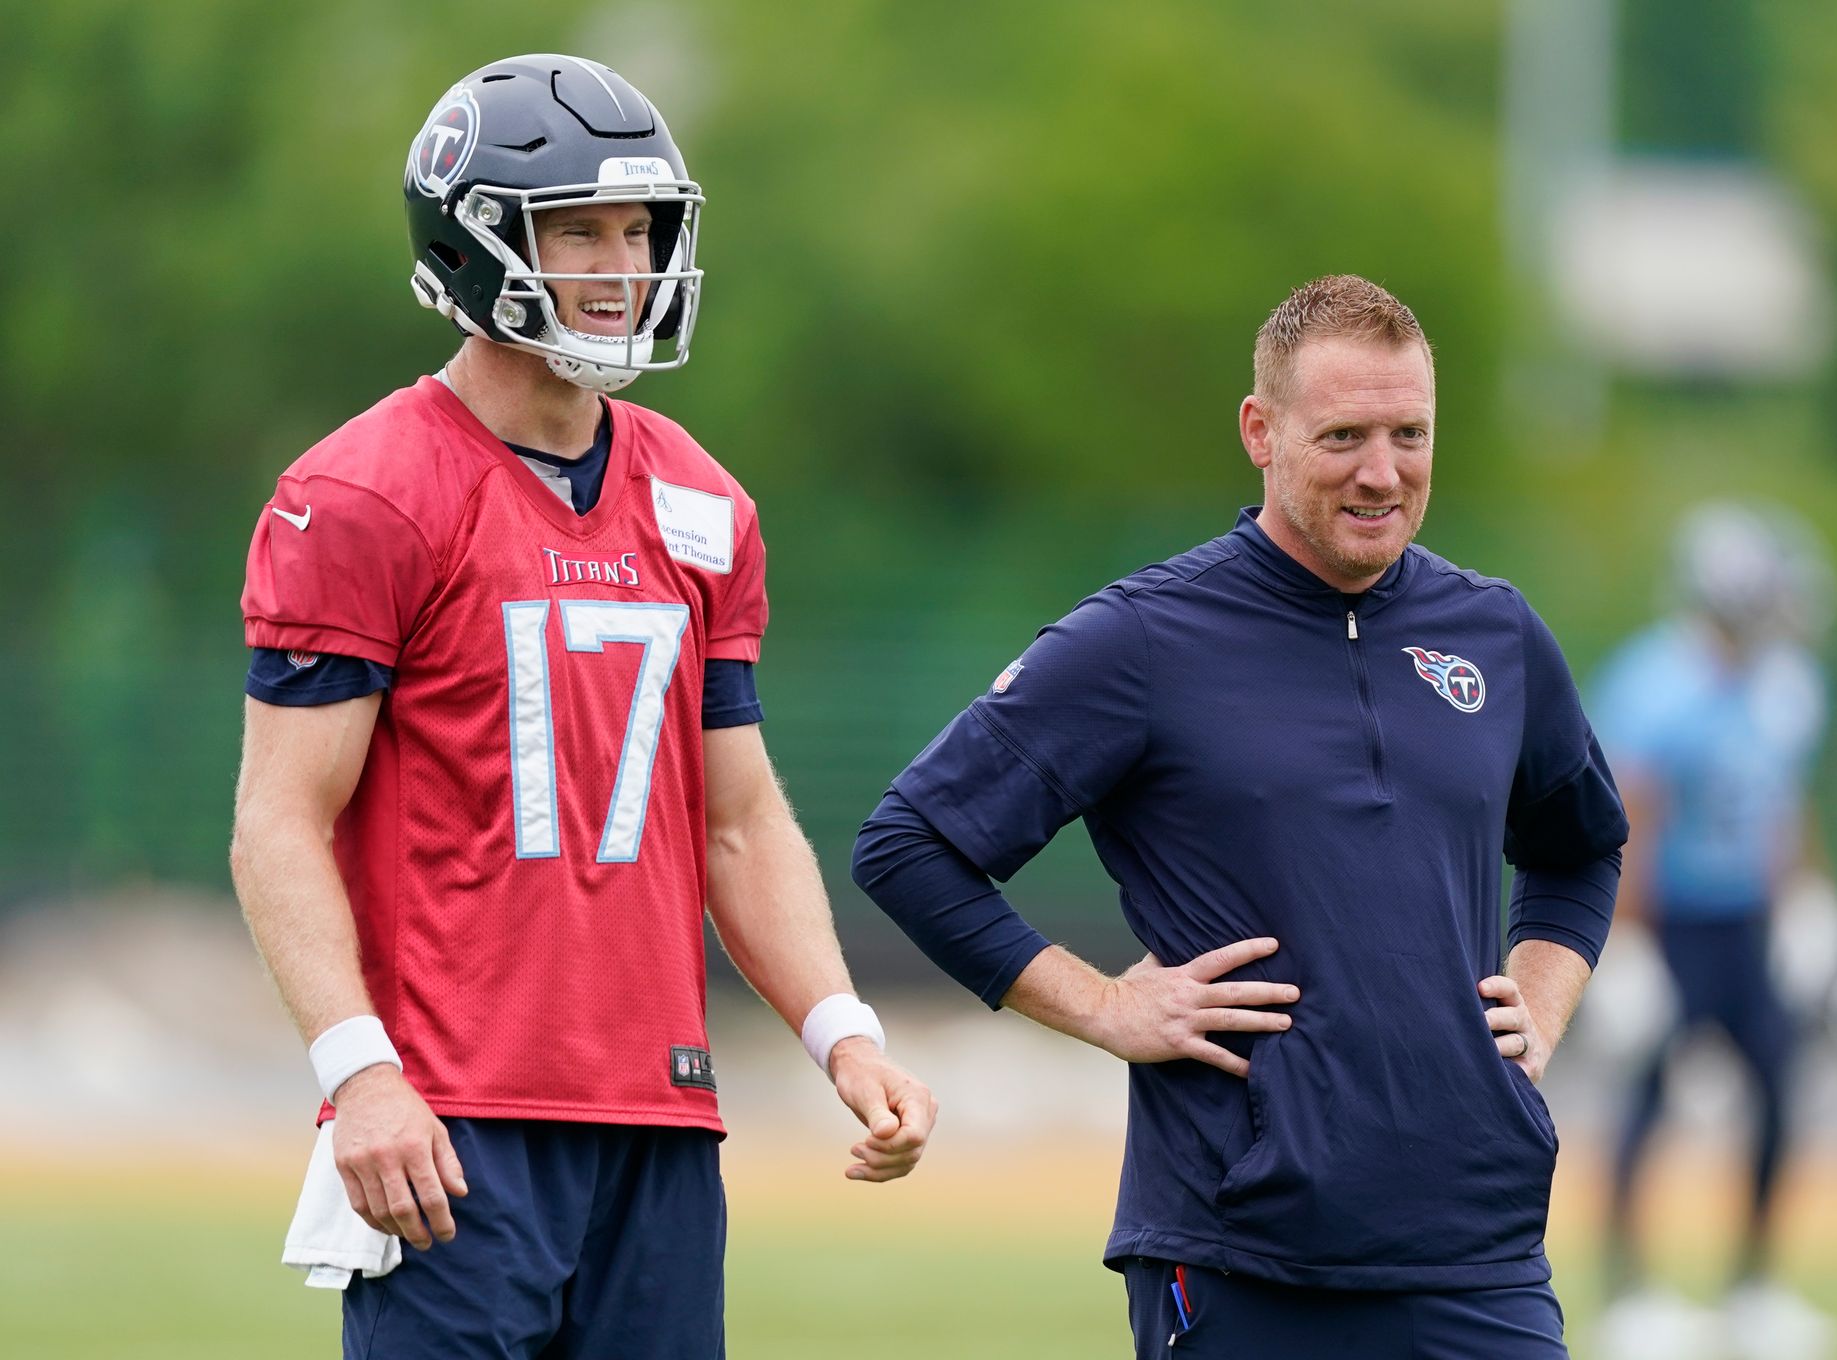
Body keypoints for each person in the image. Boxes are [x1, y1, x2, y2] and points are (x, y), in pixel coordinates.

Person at [230, 54, 933, 1359]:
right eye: (580, 230)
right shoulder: (367, 494)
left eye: (639, 229)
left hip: (661, 1118)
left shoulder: (705, 504)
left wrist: (844, 1032)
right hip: (450, 1124)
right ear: (479, 239)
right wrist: (358, 1073)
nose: (623, 264)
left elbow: (737, 819)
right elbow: (280, 819)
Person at [852, 274, 1627, 1357]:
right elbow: (910, 845)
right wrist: (1105, 1005)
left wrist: (1539, 1006)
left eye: (1411, 433)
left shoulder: (1494, 632)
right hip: (1239, 1254)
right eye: (1344, 434)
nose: (1382, 472)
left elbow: (1583, 846)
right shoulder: (1143, 639)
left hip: (1482, 1255)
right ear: (1260, 431)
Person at [1588, 503, 1837, 1359]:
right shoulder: (1659, 680)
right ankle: (1629, 1291)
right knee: (1649, 1097)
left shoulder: (1783, 681)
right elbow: (1631, 819)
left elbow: (1781, 803)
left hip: (1749, 919)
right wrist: (1622, 943)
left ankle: (1755, 1286)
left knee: (1778, 1089)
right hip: (1672, 920)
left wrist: (1805, 897)